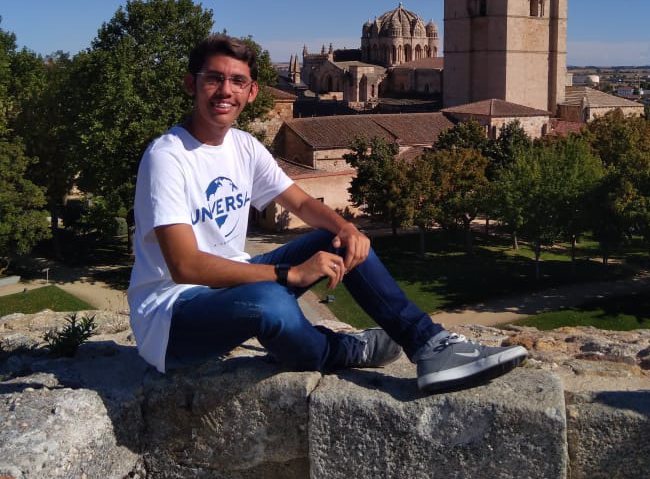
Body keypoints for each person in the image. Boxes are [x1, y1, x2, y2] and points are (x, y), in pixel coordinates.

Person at [127, 34, 527, 392]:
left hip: (232, 288)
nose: (224, 90)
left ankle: (427, 343)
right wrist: (289, 274)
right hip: (172, 317)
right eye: (213, 78)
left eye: (237, 81)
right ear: (190, 84)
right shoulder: (167, 157)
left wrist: (347, 228)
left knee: (336, 242)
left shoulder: (243, 146)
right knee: (272, 304)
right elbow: (185, 266)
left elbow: (300, 202)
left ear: (251, 93)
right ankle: (342, 349)